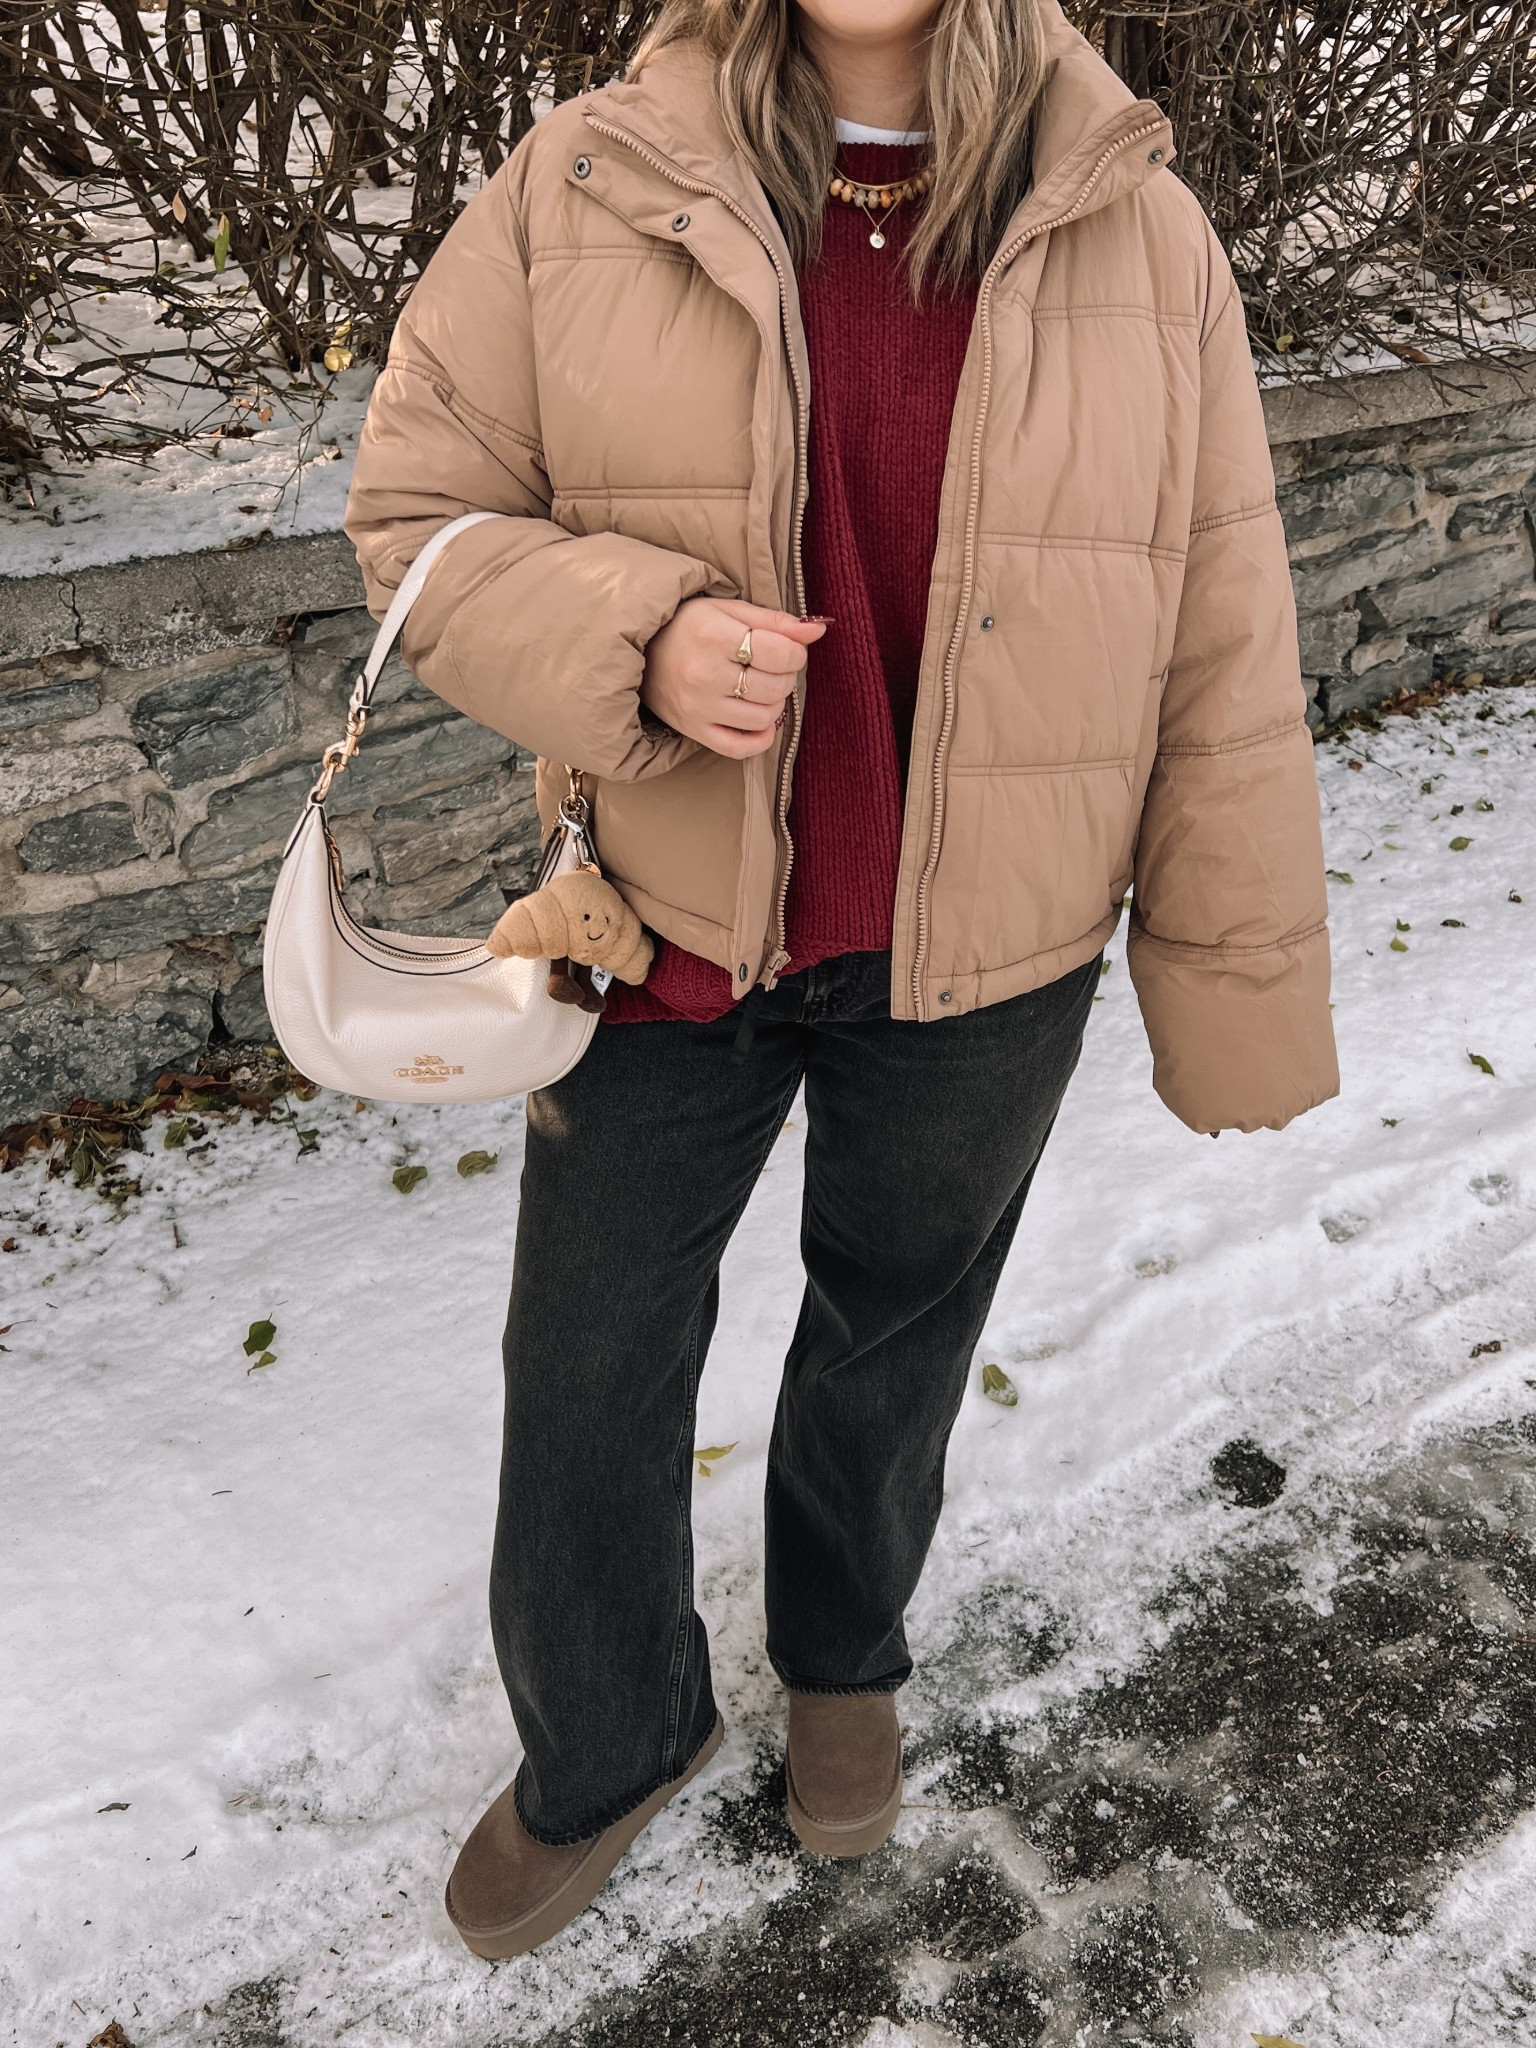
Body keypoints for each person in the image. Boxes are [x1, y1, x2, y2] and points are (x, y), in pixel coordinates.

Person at [343, 0, 1339, 1960]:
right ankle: (612, 1731)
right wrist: (636, 635)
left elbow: (1227, 631)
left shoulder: (1141, 228)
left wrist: (1232, 969)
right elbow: (418, 517)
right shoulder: (584, 183)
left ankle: (843, 1651)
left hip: (994, 947)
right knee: (587, 1356)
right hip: (664, 921)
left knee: (892, 1330)